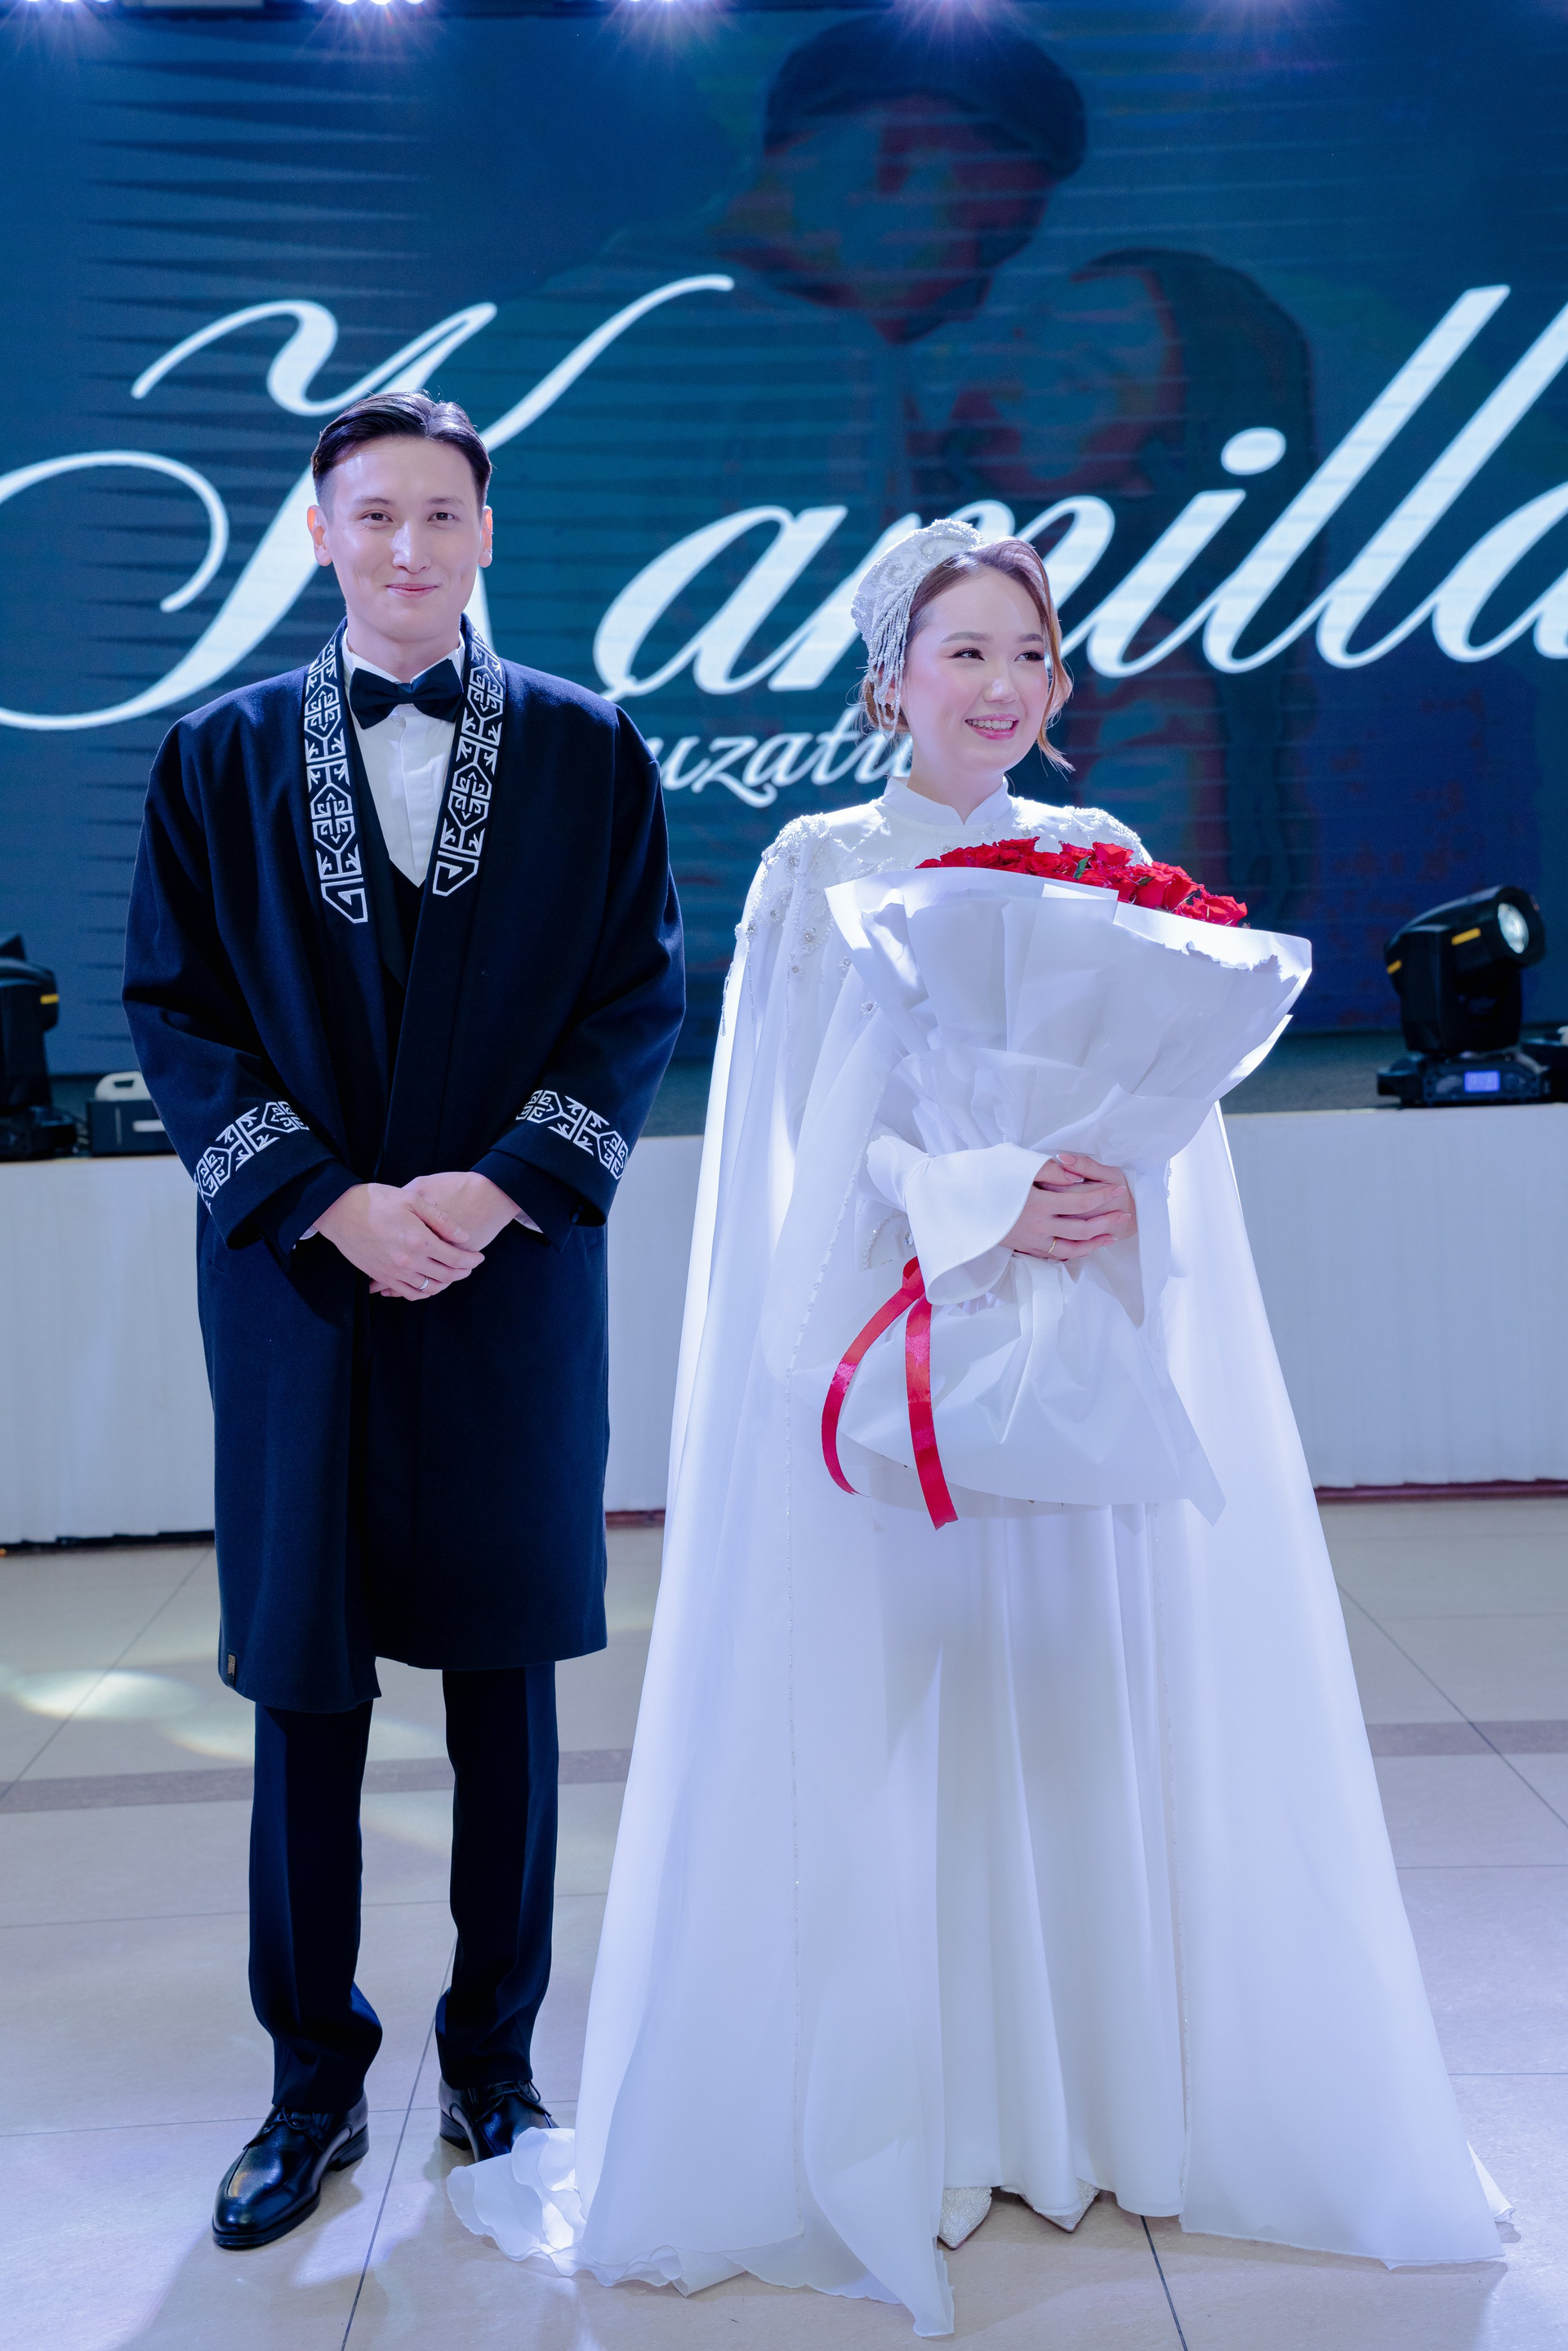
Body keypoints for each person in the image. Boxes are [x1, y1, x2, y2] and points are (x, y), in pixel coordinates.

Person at [450, 523, 1504, 2334]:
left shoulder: (1103, 859)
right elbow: (801, 1137)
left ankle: (1091, 2106)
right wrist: (982, 1200)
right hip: (899, 1368)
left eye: (1029, 652)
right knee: (909, 1716)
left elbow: (1165, 1128)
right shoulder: (817, 865)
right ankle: (927, 2116)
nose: (1001, 685)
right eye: (964, 650)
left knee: (1074, 1710)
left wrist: (1102, 1196)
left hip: (1064, 1365)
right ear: (891, 675)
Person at [122, 391, 684, 2251]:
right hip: (300, 1284)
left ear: (487, 534)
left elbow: (634, 998)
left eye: (443, 513)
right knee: (306, 1687)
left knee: (507, 1687)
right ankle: (309, 2088)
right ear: (319, 532)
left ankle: (496, 2066)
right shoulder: (213, 757)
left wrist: (497, 1189)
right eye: (374, 513)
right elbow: (177, 1010)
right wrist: (330, 1200)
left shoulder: (592, 749)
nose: (409, 546)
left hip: (509, 1274)